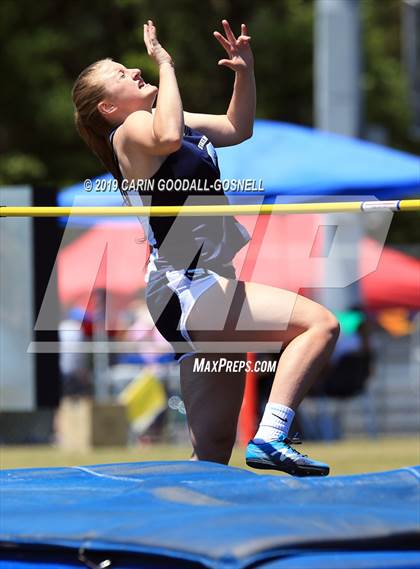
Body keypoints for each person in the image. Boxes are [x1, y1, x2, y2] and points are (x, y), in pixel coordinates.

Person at [71, 19, 340, 476]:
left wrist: (244, 72)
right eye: (121, 74)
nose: (134, 70)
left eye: (130, 67)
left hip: (195, 289)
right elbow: (169, 137)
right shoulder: (133, 129)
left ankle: (169, 532)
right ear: (109, 108)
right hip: (187, 287)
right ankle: (274, 433)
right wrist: (166, 64)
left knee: (212, 453)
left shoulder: (159, 121)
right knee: (320, 325)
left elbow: (238, 127)